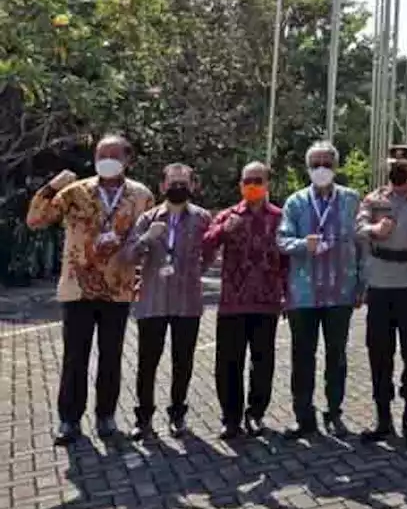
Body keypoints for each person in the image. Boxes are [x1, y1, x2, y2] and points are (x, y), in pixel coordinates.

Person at [26, 134, 154, 445]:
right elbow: (35, 220)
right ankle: (69, 420)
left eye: (113, 154)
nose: (106, 159)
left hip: (117, 288)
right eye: (100, 154)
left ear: (128, 159)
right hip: (77, 288)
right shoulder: (75, 191)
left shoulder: (141, 195)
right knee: (75, 357)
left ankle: (106, 416)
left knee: (111, 356)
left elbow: (147, 240)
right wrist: (51, 187)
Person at [277, 140, 365, 439]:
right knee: (302, 356)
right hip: (303, 293)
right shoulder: (295, 202)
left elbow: (362, 244)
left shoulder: (352, 200)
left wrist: (361, 284)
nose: (321, 169)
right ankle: (304, 416)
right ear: (307, 168)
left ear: (336, 167)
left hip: (340, 291)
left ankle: (334, 413)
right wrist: (303, 245)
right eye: (315, 164)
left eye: (327, 163)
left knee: (336, 356)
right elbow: (282, 240)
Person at [122, 163, 215, 439]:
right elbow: (128, 255)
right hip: (153, 300)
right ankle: (143, 417)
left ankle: (177, 415)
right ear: (162, 186)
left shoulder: (202, 218)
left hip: (187, 302)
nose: (177, 187)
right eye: (172, 183)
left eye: (183, 182)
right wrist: (146, 240)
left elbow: (210, 252)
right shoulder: (148, 218)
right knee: (147, 361)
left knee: (182, 361)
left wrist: (198, 270)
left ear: (192, 186)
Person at [355, 144, 407, 445]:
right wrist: (375, 228)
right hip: (380, 286)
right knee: (379, 354)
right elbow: (358, 228)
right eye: (393, 162)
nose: (398, 167)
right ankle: (383, 418)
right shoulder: (375, 199)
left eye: (403, 162)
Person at [203, 161, 286, 439]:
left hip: (267, 300)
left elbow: (286, 259)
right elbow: (206, 244)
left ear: (267, 185)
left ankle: (256, 414)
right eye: (248, 180)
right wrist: (224, 230)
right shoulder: (228, 215)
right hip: (233, 302)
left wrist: (286, 293)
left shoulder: (279, 217)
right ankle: (231, 418)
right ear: (240, 185)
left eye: (258, 180)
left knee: (263, 361)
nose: (253, 185)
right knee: (228, 362)